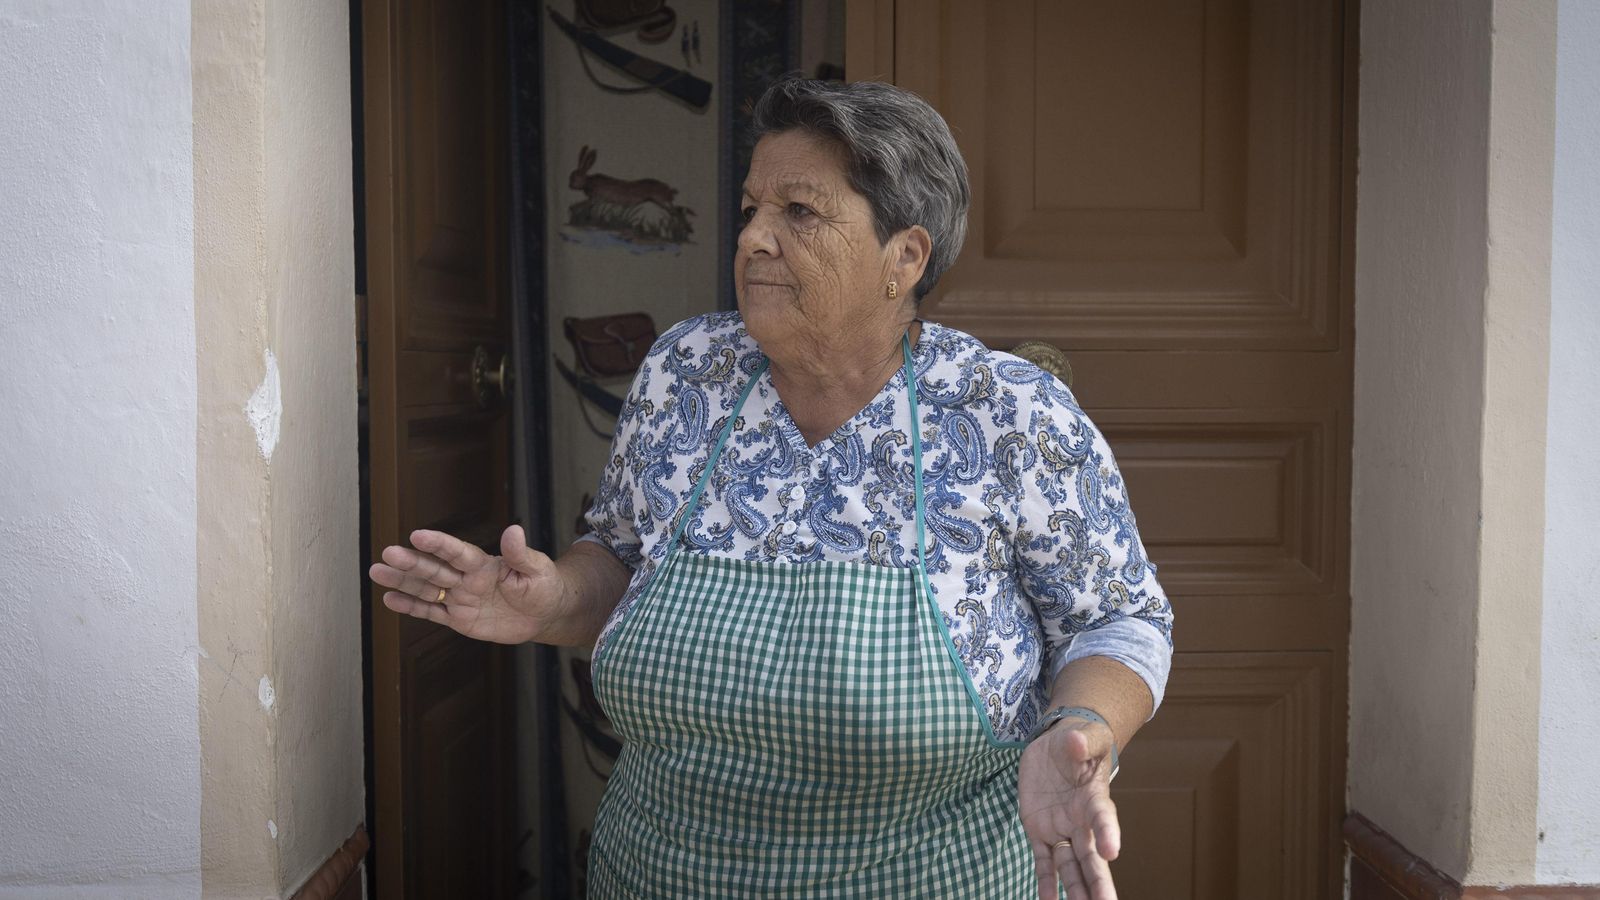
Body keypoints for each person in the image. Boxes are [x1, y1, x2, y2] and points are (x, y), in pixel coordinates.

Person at [370, 77, 1173, 899]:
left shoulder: (1004, 412)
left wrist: (1080, 729)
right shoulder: (688, 372)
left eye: (799, 212)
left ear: (906, 256)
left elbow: (1121, 618)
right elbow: (617, 557)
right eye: (752, 208)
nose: (753, 236)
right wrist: (552, 599)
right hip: (655, 877)